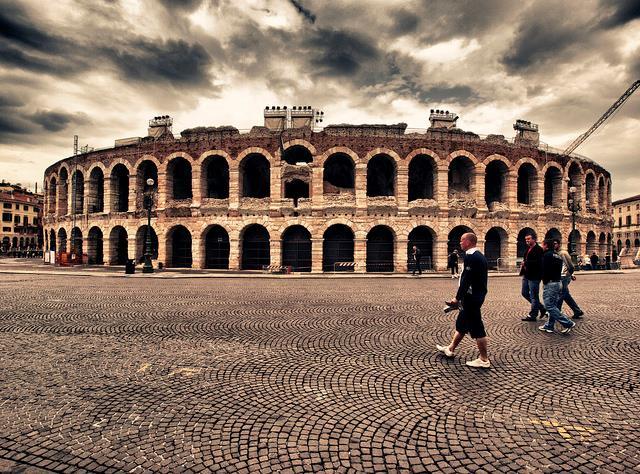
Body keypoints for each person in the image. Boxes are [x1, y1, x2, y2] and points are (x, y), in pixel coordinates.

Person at [436, 232, 490, 368]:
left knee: (477, 328)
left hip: (472, 298)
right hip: (473, 296)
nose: (460, 243)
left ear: (468, 242)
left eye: (461, 240)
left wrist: (457, 298)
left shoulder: (471, 257)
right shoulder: (479, 256)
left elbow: (467, 281)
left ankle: (484, 360)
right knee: (462, 324)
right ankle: (451, 348)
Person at [539, 239, 576, 334]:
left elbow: (544, 270)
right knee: (554, 305)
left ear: (546, 246)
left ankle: (568, 323)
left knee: (549, 306)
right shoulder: (557, 256)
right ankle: (549, 325)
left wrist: (544, 280)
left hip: (551, 283)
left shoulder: (546, 255)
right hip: (558, 282)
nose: (541, 247)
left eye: (542, 245)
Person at [520, 231, 545, 321]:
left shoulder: (538, 249)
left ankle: (533, 315)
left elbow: (539, 263)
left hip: (534, 276)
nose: (527, 241)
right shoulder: (528, 249)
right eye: (526, 239)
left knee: (534, 295)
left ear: (534, 239)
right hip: (526, 274)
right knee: (524, 293)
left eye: (528, 239)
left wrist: (526, 263)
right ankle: (542, 308)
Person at [556, 241, 584, 319]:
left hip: (564, 277)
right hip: (560, 276)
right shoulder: (556, 253)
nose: (554, 245)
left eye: (555, 243)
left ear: (559, 244)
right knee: (566, 295)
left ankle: (557, 312)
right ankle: (577, 311)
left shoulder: (563, 253)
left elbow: (570, 266)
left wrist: (570, 274)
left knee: (561, 294)